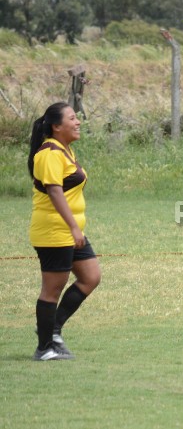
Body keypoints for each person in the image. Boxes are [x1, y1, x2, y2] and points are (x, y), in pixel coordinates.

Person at [28, 102, 101, 361]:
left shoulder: (64, 150)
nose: (78, 121)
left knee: (90, 277)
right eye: (72, 118)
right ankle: (44, 347)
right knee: (52, 289)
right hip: (54, 232)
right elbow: (54, 190)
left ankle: (53, 330)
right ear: (57, 126)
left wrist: (74, 228)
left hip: (70, 231)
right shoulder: (49, 153)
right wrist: (72, 227)